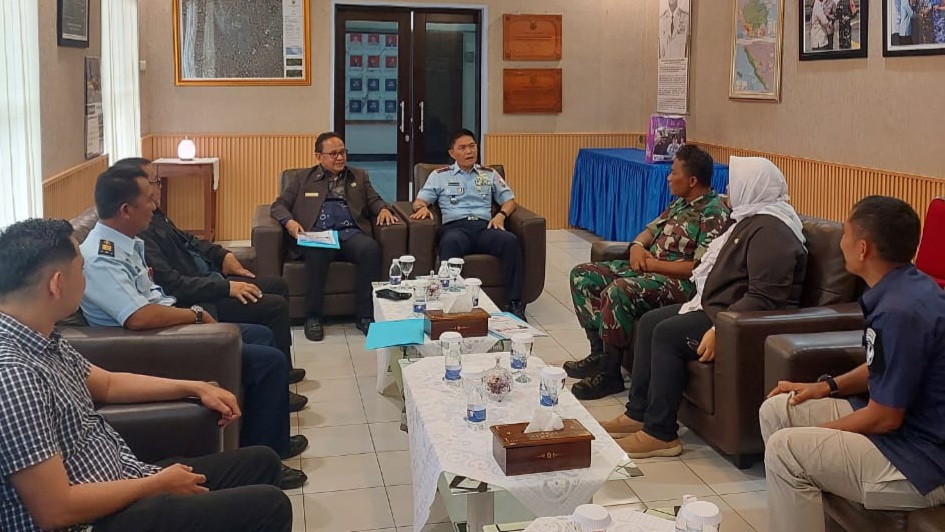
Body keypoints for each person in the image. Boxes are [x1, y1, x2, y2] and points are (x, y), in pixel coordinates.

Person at [0, 218, 292, 532]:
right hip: (92, 521)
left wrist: (193, 387)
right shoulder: (14, 375)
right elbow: (56, 510)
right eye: (81, 270)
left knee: (262, 463)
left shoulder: (43, 338)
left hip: (122, 479)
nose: (85, 280)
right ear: (57, 284)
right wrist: (156, 485)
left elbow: (107, 384)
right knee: (269, 507)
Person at [79, 164, 307, 489]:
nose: (154, 205)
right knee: (268, 362)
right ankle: (268, 460)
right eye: (148, 200)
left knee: (261, 335)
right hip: (153, 346)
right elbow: (138, 317)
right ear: (126, 210)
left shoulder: (127, 240)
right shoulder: (102, 257)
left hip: (170, 329)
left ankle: (263, 439)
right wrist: (195, 316)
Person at [598, 157, 808, 458]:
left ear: (753, 187)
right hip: (717, 307)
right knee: (650, 322)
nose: (728, 189)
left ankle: (660, 434)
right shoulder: (748, 218)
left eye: (735, 184)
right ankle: (638, 413)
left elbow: (764, 298)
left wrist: (720, 329)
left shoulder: (772, 231)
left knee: (668, 333)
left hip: (740, 322)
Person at [760, 196, 945, 532]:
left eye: (845, 234)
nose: (840, 242)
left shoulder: (901, 311)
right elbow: (881, 366)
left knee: (785, 449)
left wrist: (817, 434)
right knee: (777, 410)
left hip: (921, 460)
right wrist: (825, 387)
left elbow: (885, 418)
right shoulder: (903, 287)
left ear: (862, 249)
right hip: (902, 433)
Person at [115, 157, 306, 388]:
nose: (159, 186)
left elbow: (188, 240)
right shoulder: (139, 229)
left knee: (278, 285)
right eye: (154, 182)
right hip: (199, 296)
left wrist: (221, 254)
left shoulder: (154, 214)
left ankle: (283, 369)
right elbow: (172, 284)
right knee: (274, 306)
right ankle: (277, 377)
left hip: (209, 279)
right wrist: (227, 287)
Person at [565, 145, 730, 400]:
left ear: (692, 180)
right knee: (582, 275)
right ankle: (598, 354)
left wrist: (652, 265)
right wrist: (637, 247)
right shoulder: (680, 203)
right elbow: (650, 231)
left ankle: (610, 374)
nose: (668, 177)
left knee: (618, 291)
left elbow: (697, 269)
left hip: (678, 283)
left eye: (673, 172)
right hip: (649, 270)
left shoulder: (713, 213)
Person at [271, 132, 398, 341]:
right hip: (318, 235)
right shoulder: (302, 178)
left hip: (349, 233)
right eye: (333, 154)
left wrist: (383, 209)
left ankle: (365, 316)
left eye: (342, 153)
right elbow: (278, 206)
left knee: (370, 250)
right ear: (318, 156)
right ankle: (313, 317)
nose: (340, 158)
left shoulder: (358, 176)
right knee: (316, 254)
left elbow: (374, 200)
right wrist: (290, 222)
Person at [411, 129, 527, 319]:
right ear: (452, 153)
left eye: (472, 146)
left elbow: (509, 200)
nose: (469, 151)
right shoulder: (440, 176)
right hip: (455, 228)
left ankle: (515, 304)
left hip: (484, 227)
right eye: (463, 148)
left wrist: (501, 215)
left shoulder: (489, 174)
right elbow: (419, 201)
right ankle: (451, 302)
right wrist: (421, 208)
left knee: (510, 241)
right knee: (450, 243)